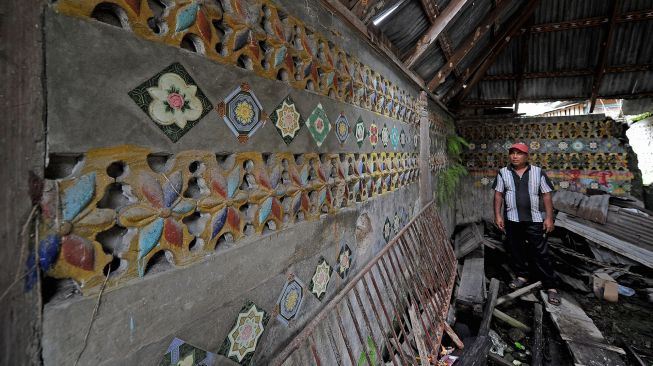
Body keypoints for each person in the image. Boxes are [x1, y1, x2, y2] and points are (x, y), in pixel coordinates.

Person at [493, 143, 560, 305]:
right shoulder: (503, 173)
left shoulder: (538, 172)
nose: (515, 156)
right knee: (516, 249)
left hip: (534, 219)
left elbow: (546, 196)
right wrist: (497, 215)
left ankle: (551, 287)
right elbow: (498, 195)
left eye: (519, 153)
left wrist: (549, 218)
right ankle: (522, 276)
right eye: (512, 153)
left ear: (526, 156)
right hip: (512, 219)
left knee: (541, 252)